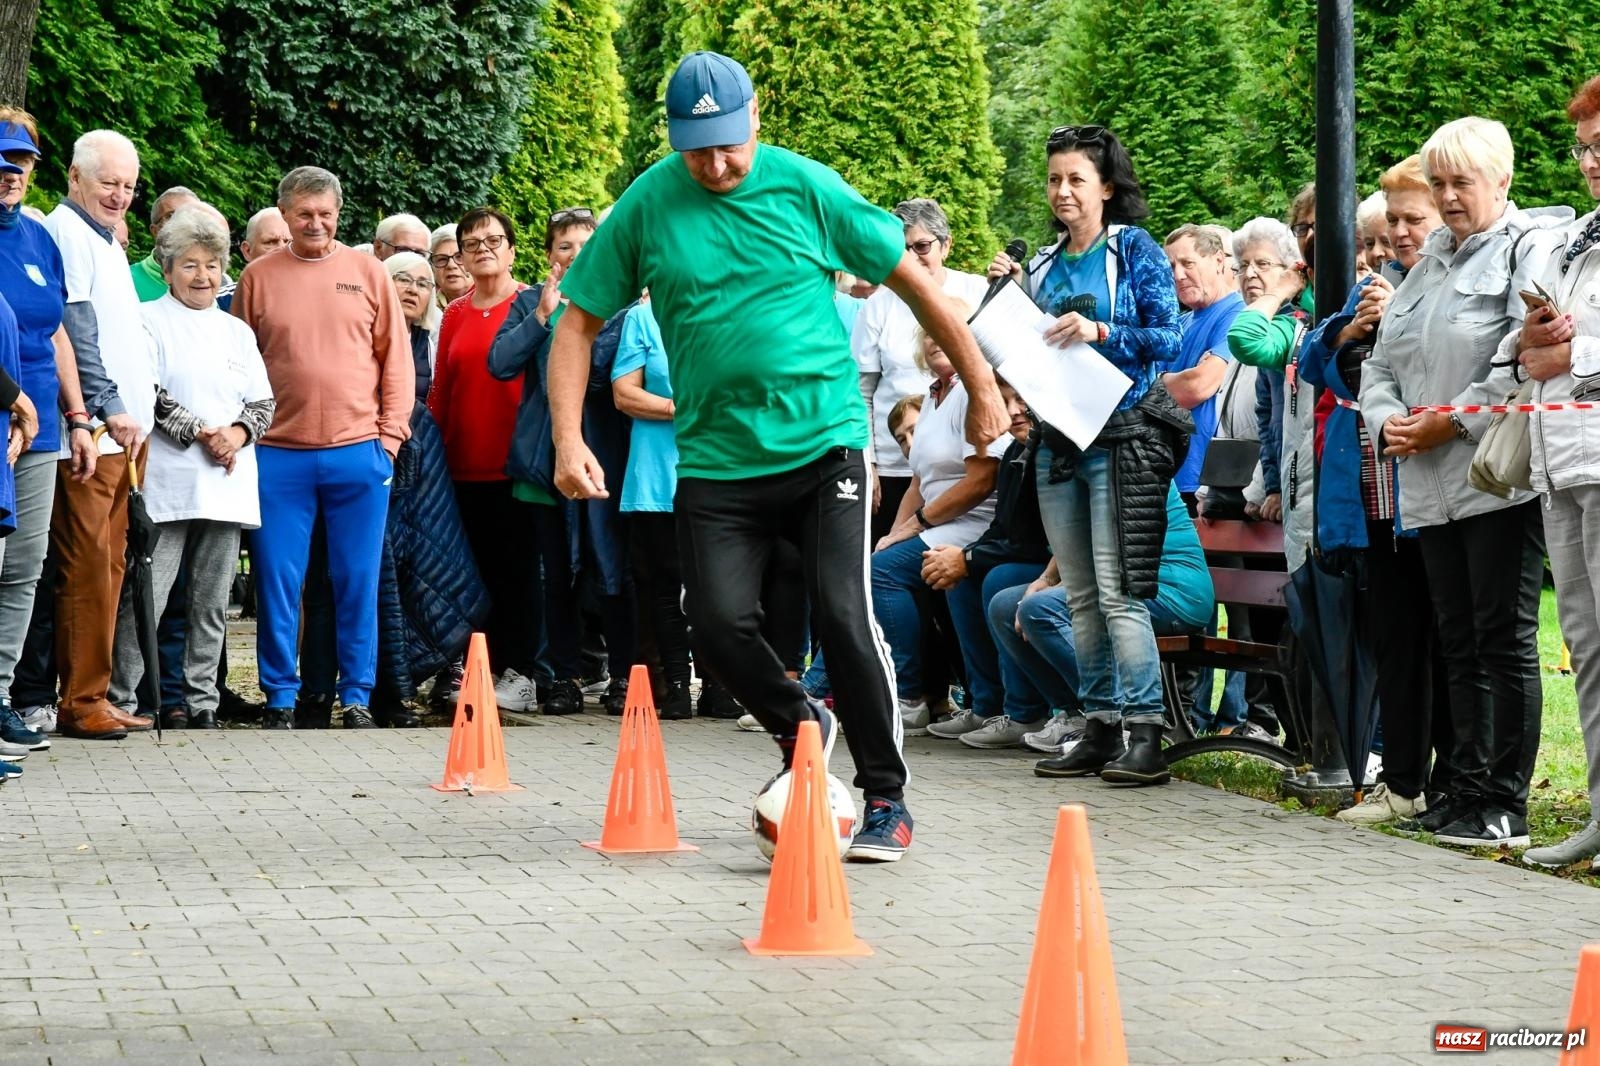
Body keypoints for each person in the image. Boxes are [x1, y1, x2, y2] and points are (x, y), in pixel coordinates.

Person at [548, 51, 1007, 862]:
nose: (716, 164)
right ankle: (805, 724)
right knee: (716, 625)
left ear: (754, 119)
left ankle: (886, 799)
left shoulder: (807, 188)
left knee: (841, 612)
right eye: (697, 149)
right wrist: (568, 437)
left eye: (728, 144)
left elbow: (915, 283)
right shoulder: (650, 205)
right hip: (718, 462)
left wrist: (983, 389)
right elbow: (578, 320)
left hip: (823, 446)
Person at [1360, 117, 1570, 848]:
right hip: (1426, 479)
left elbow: (1525, 356)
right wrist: (1389, 422)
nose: (1448, 198)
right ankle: (1463, 788)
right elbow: (1379, 364)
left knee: (1501, 638)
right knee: (1456, 642)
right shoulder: (1426, 266)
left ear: (1502, 182)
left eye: (1462, 183)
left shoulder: (1529, 248)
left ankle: (1505, 802)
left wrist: (1449, 423)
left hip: (1492, 477)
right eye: (1439, 183)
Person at [987, 123, 1185, 786]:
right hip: (1059, 440)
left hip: (1124, 435)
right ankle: (1098, 724)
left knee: (1118, 590)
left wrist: (1100, 329)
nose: (1063, 191)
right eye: (1054, 180)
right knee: (1079, 595)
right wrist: (1002, 305)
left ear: (1106, 186)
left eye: (1076, 179)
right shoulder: (1042, 265)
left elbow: (1170, 339)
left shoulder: (1134, 251)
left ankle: (1144, 732)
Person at [232, 165, 414, 730]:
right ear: (284, 215)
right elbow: (233, 362)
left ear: (339, 215)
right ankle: (280, 697)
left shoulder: (368, 272)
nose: (315, 224)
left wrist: (389, 439)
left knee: (357, 579)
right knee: (277, 581)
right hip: (277, 455)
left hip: (358, 452)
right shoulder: (258, 278)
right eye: (304, 214)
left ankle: (356, 694)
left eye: (325, 215)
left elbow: (397, 362)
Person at [1305, 156, 1453, 827]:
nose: (1395, 235)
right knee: (1394, 640)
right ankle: (1401, 785)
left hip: (1436, 495)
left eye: (1407, 220)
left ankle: (1456, 782)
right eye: (1387, 222)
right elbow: (1312, 360)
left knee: (1450, 646)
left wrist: (1393, 323)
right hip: (1375, 501)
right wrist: (1350, 330)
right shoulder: (1374, 287)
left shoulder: (1444, 284)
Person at [110, 207, 274, 728]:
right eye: (190, 265)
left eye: (211, 265)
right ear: (168, 266)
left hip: (227, 484)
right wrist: (205, 433)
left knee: (210, 604)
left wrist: (236, 436)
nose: (202, 276)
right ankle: (123, 697)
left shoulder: (236, 331)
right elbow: (149, 394)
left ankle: (200, 703)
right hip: (168, 480)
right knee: (148, 596)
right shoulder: (147, 319)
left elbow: (263, 402)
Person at [488, 206, 637, 717]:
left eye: (585, 246)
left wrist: (576, 327)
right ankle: (562, 677)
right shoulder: (531, 302)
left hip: (603, 459)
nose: (575, 255)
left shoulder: (619, 309)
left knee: (609, 570)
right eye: (564, 246)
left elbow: (596, 377)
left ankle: (623, 676)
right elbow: (500, 363)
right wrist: (543, 318)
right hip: (540, 466)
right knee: (556, 575)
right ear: (549, 254)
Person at [1507, 79, 1600, 866]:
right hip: (1557, 462)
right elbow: (1525, 354)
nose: (1593, 161)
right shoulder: (1573, 240)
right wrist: (1533, 341)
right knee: (1587, 645)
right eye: (1585, 147)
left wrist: (1572, 353)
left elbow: (1575, 354)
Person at [40, 129, 156, 740]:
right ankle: (79, 701)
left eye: (129, 185)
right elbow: (75, 330)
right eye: (108, 182)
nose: (119, 195)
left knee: (110, 565)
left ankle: (97, 693)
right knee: (87, 567)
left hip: (123, 439)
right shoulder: (67, 232)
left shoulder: (104, 238)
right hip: (92, 436)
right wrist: (104, 407)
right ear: (75, 178)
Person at [989, 484, 1215, 767]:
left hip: (1167, 588)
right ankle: (1074, 716)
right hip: (1116, 582)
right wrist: (1047, 579)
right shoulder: (1069, 461)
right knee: (1006, 606)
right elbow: (1075, 532)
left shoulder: (1124, 462)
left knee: (1040, 608)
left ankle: (1119, 723)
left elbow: (1109, 544)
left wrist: (1055, 587)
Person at [428, 208, 542, 713]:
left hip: (516, 464)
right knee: (468, 573)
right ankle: (476, 668)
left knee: (516, 571)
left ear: (513, 249)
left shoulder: (534, 304)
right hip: (461, 466)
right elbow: (441, 393)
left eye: (493, 240)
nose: (483, 250)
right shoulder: (454, 313)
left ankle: (522, 673)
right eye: (471, 244)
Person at [871, 308, 1005, 735]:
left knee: (884, 574)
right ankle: (981, 703)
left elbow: (982, 480)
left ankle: (908, 697)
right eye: (927, 335)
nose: (934, 341)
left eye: (944, 332)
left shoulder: (973, 390)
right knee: (886, 558)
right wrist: (894, 533)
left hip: (976, 520)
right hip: (939, 522)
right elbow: (918, 479)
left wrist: (917, 526)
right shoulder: (931, 395)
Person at [921, 379, 1053, 748]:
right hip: (1025, 557)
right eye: (1004, 400)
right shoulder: (1014, 453)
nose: (1012, 411)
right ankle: (986, 705)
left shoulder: (1056, 450)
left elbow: (1034, 543)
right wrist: (962, 558)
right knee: (960, 580)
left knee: (1000, 579)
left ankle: (1025, 712)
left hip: (1057, 567)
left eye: (1021, 398)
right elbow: (1002, 530)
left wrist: (968, 558)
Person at [0, 112, 74, 744]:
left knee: (26, 566)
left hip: (42, 428)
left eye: (20, 163)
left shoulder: (38, 237)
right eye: (1, 161)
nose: (10, 174)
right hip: (2, 421)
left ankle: (1, 694)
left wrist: (76, 415)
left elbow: (56, 332)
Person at [853, 198, 988, 543]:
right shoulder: (878, 305)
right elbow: (861, 391)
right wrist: (867, 463)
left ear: (946, 245)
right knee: (888, 554)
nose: (912, 257)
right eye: (902, 249)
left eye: (922, 246)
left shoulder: (976, 291)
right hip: (896, 465)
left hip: (963, 461)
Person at [611, 294, 693, 719]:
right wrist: (680, 408)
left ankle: (721, 687)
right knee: (662, 584)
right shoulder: (643, 317)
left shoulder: (729, 305)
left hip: (720, 470)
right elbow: (624, 393)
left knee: (717, 584)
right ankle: (677, 686)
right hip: (656, 476)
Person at [1162, 223, 1244, 511]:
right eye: (1171, 266)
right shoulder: (1180, 324)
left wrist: (1156, 382)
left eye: (1188, 263)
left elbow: (1197, 387)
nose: (1177, 275)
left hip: (1208, 480)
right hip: (1170, 475)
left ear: (1219, 261)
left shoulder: (1239, 313)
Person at [383, 251, 439, 400]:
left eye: (422, 284)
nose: (413, 290)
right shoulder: (361, 335)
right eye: (403, 279)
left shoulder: (426, 346)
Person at [129, 187, 198, 301]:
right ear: (155, 231)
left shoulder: (215, 282)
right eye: (171, 215)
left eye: (191, 215)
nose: (183, 222)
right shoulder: (126, 279)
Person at [428, 224, 472, 307]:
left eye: (459, 257)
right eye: (441, 259)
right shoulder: (424, 310)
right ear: (432, 268)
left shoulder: (495, 302)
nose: (451, 265)